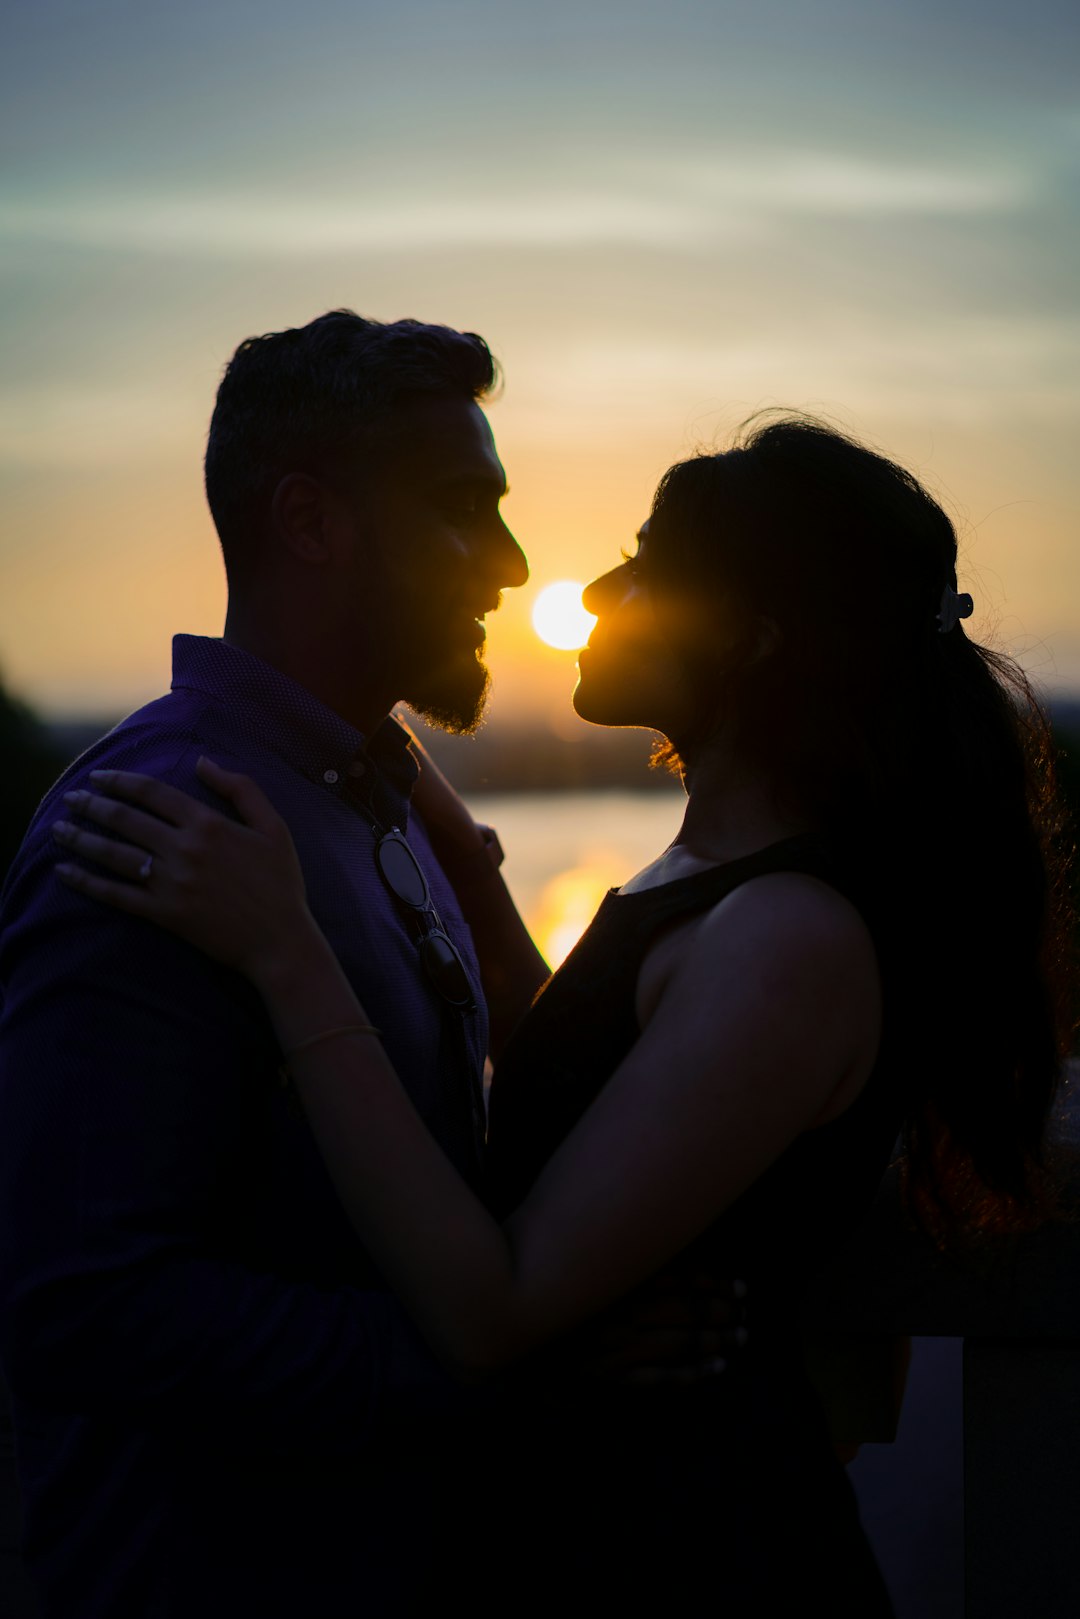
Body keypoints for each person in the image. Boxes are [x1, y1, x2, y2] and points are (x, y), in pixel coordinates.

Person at [51, 416, 1076, 1612]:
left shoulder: (790, 937)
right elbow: (612, 1090)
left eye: (648, 564)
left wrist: (289, 953)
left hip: (699, 1554)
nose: (595, 586)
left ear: (749, 636)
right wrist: (469, 873)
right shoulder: (710, 879)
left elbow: (492, 1307)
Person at [4, 310, 725, 1619]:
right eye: (465, 509)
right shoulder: (166, 824)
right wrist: (506, 1362)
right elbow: (80, 1299)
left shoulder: (363, 796)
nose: (511, 563)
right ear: (311, 522)